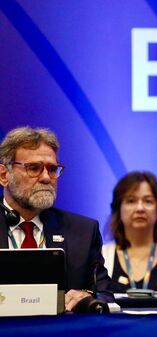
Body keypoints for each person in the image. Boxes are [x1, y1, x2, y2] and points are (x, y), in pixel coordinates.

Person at [0, 126, 112, 311]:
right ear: (4, 175)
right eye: (33, 168)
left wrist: (88, 297)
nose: (46, 178)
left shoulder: (82, 231)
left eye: (52, 169)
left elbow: (106, 295)